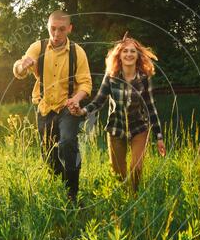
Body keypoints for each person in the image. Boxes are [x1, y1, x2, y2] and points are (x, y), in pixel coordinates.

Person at [13, 10, 92, 202]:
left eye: (61, 30)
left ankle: (72, 193)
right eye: (52, 29)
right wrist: (23, 66)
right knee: (48, 154)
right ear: (48, 27)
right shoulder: (38, 47)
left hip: (68, 106)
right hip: (44, 106)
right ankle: (59, 187)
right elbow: (18, 70)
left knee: (67, 143)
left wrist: (77, 98)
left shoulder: (77, 52)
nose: (56, 34)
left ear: (69, 29)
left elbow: (86, 84)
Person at [71, 34, 166, 193]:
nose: (129, 54)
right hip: (116, 129)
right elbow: (98, 101)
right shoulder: (112, 77)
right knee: (118, 175)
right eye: (125, 51)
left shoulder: (144, 79)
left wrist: (159, 137)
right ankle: (123, 203)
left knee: (136, 169)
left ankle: (134, 199)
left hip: (139, 129)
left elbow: (151, 108)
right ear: (119, 55)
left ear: (137, 56)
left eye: (133, 51)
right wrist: (82, 111)